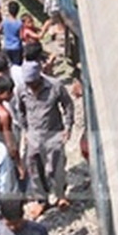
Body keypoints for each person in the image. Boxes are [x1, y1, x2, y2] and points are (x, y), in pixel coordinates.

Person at [14, 62, 73, 212]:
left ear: (39, 77)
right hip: (33, 135)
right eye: (28, 83)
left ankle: (60, 195)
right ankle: (41, 199)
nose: (31, 86)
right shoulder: (21, 89)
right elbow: (20, 111)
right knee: (34, 167)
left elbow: (68, 105)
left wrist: (67, 127)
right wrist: (25, 130)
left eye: (33, 82)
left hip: (53, 133)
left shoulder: (55, 86)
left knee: (57, 166)